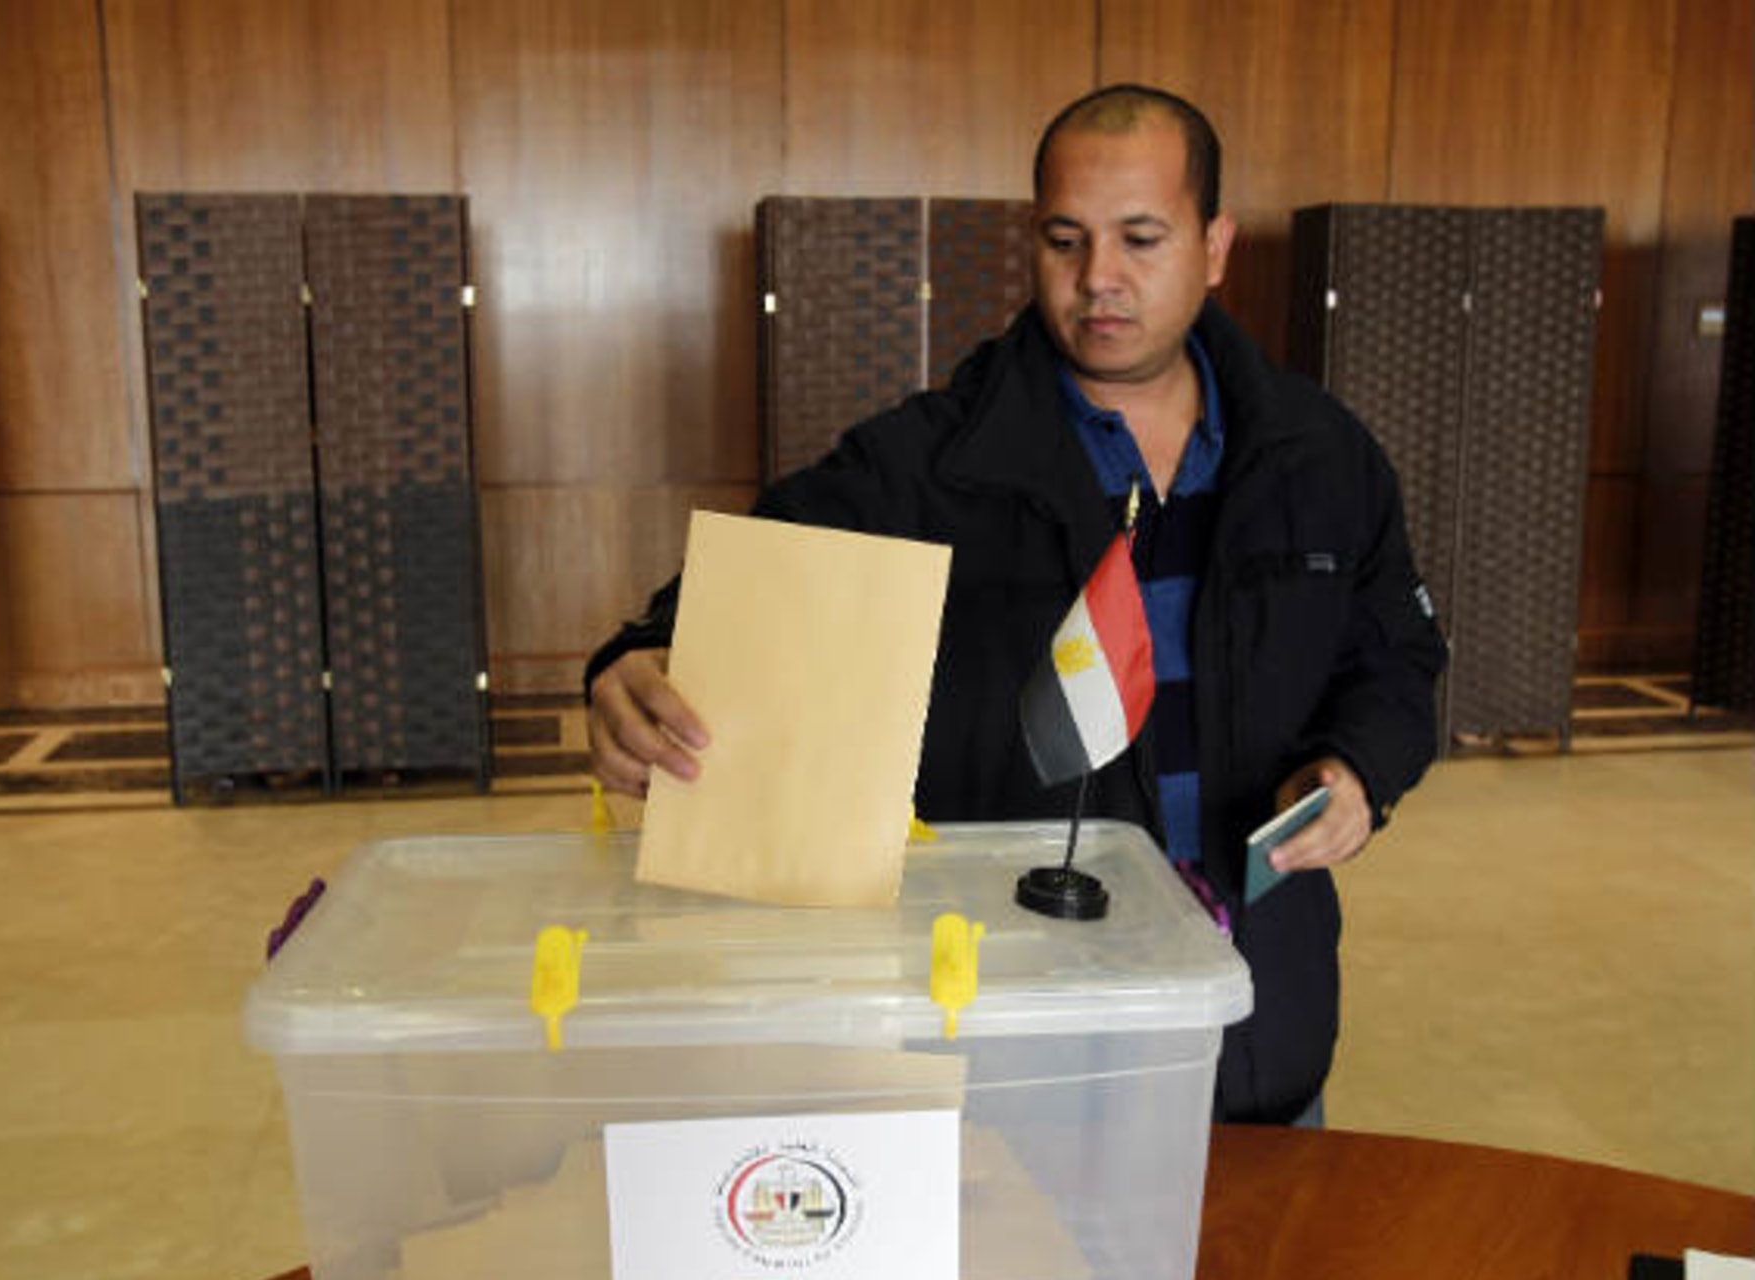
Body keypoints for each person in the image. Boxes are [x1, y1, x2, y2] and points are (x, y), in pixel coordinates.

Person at [584, 84, 1446, 1125]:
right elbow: (747, 585)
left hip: (1260, 1027)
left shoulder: (1321, 455)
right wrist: (641, 654)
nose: (1100, 282)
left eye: (1141, 238)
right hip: (1024, 1049)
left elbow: (1397, 657)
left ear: (1215, 245)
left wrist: (1361, 770)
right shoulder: (928, 463)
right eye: (1065, 239)